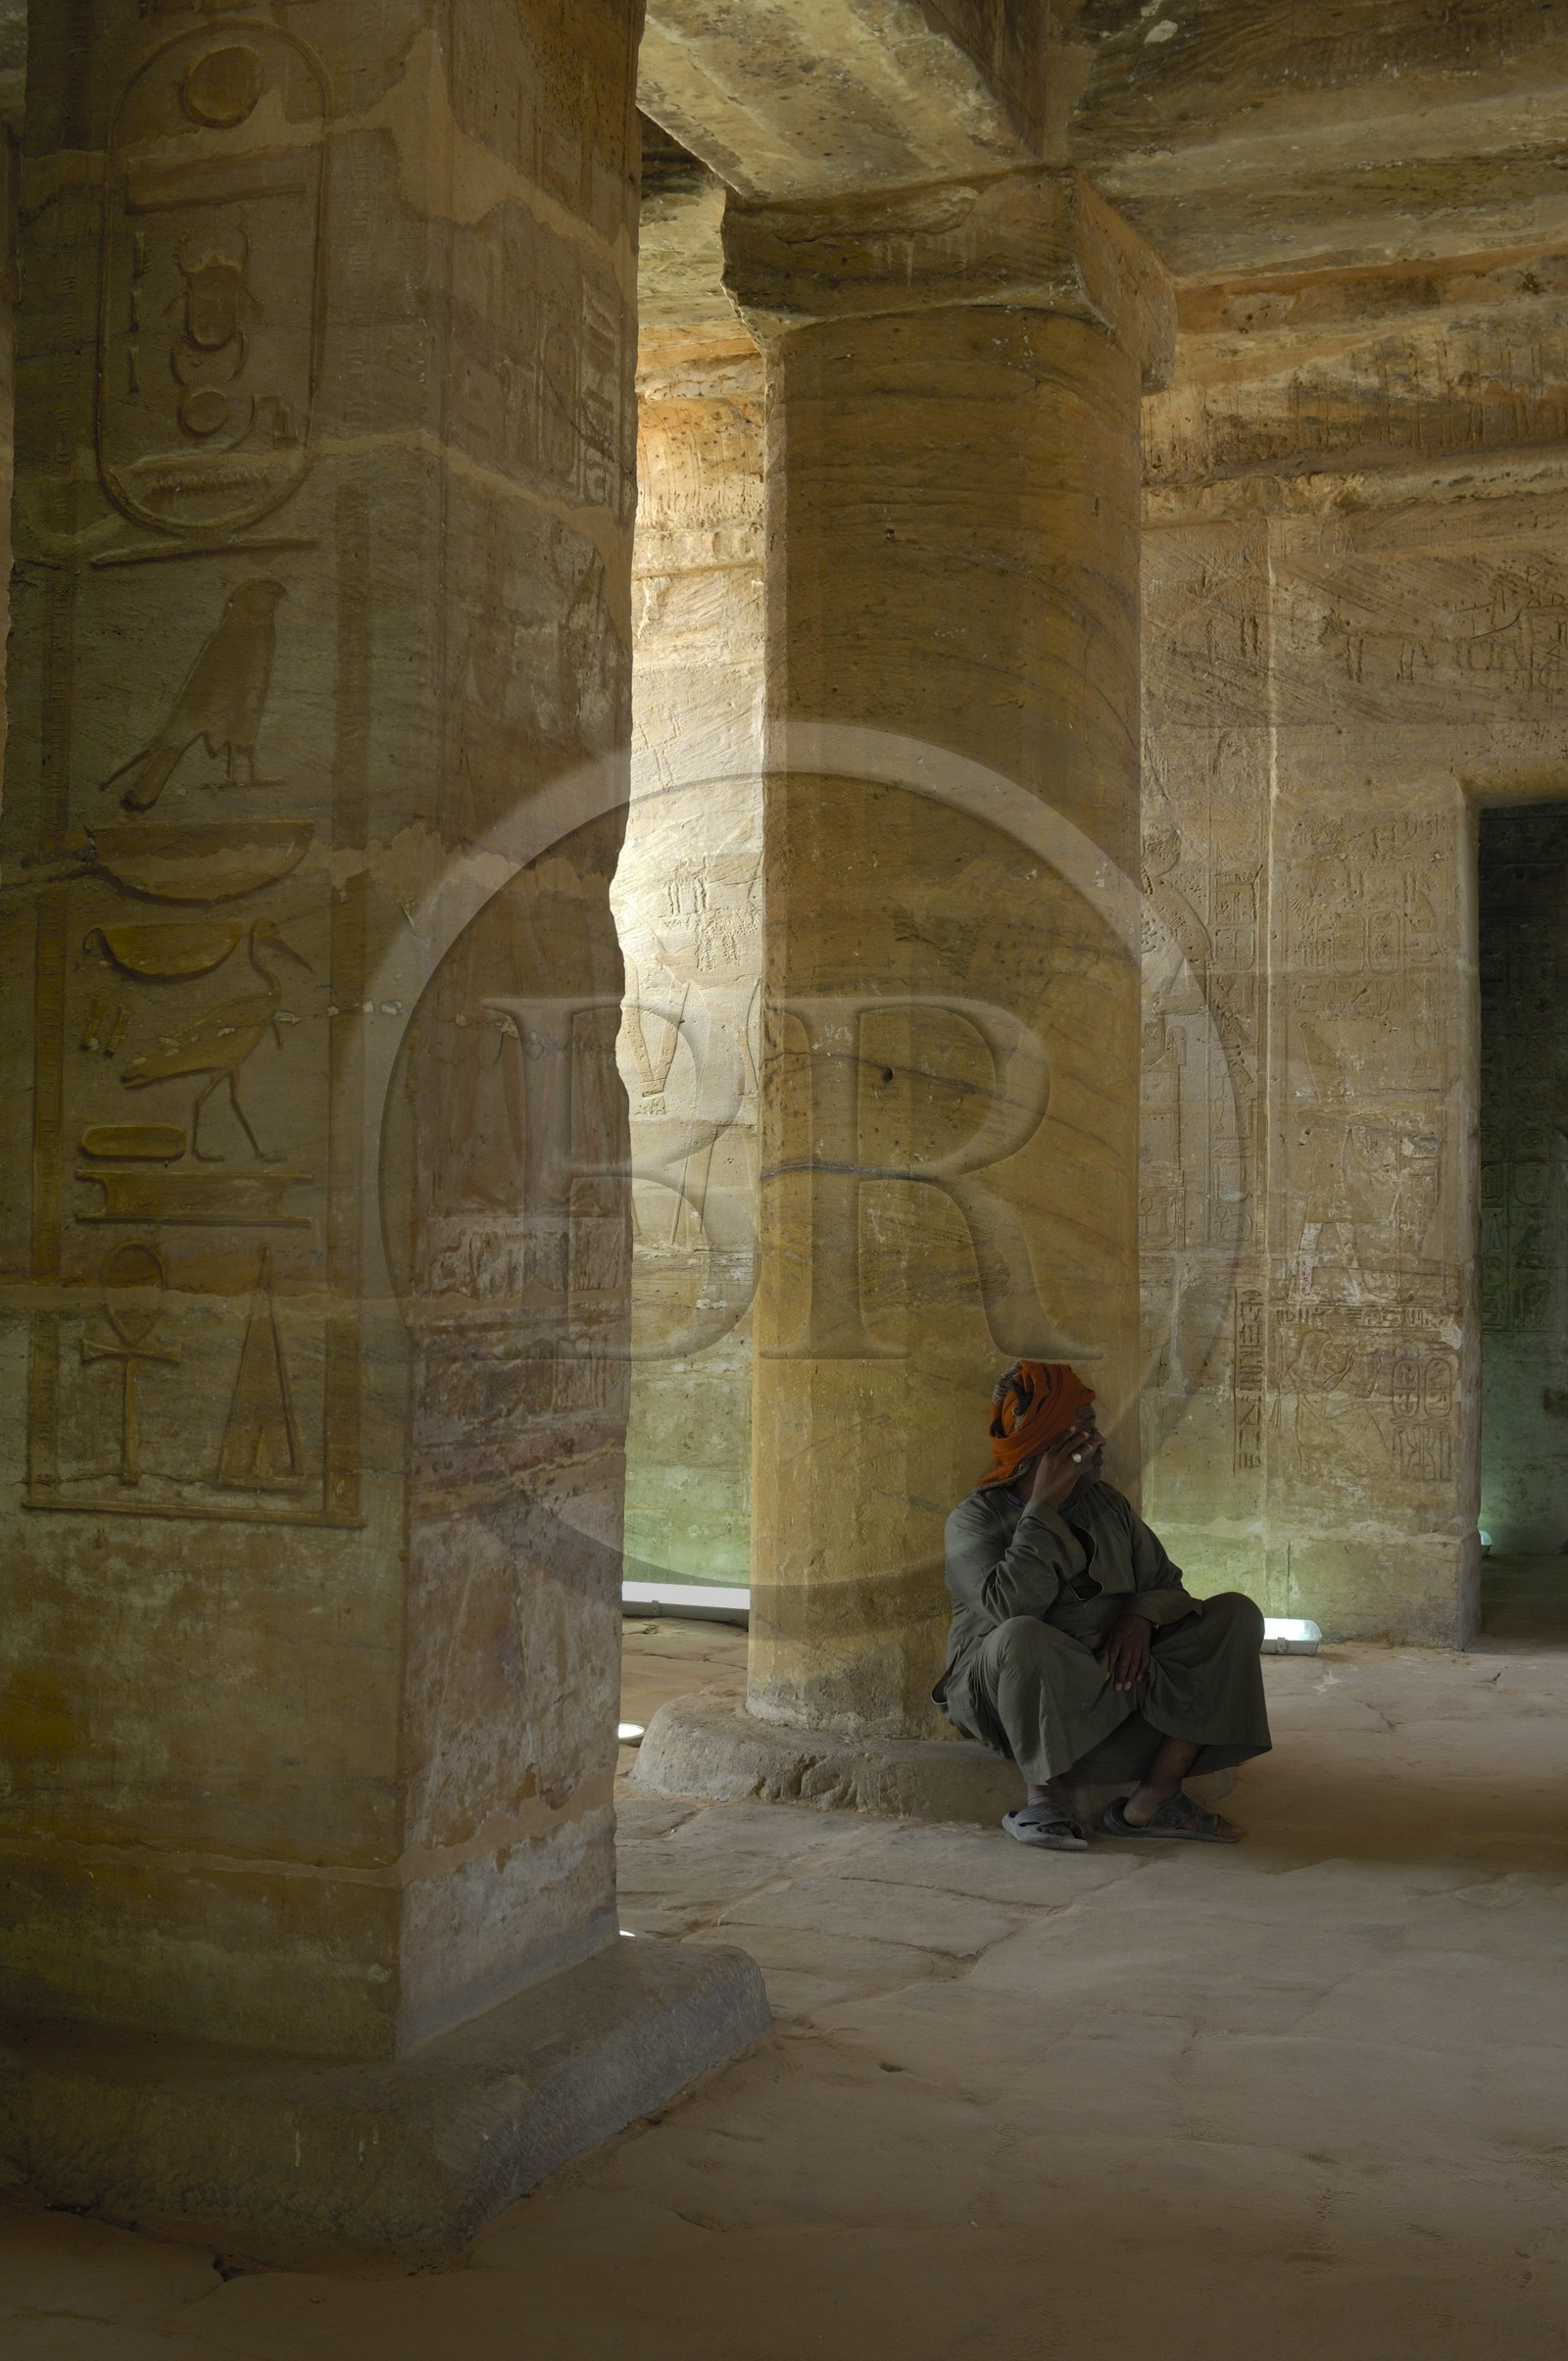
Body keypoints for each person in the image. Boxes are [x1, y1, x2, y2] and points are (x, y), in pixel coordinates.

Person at [933, 1360, 1272, 1850]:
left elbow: (1169, 1587)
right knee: (1019, 1635)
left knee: (1235, 1616)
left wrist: (1138, 1616)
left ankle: (1156, 1799)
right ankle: (1044, 1800)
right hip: (1024, 1690)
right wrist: (1042, 1510)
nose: (1100, 1441)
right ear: (1049, 1445)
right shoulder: (973, 1519)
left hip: (1114, 1676)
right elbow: (1007, 1608)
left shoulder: (1106, 1505)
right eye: (1085, 1429)